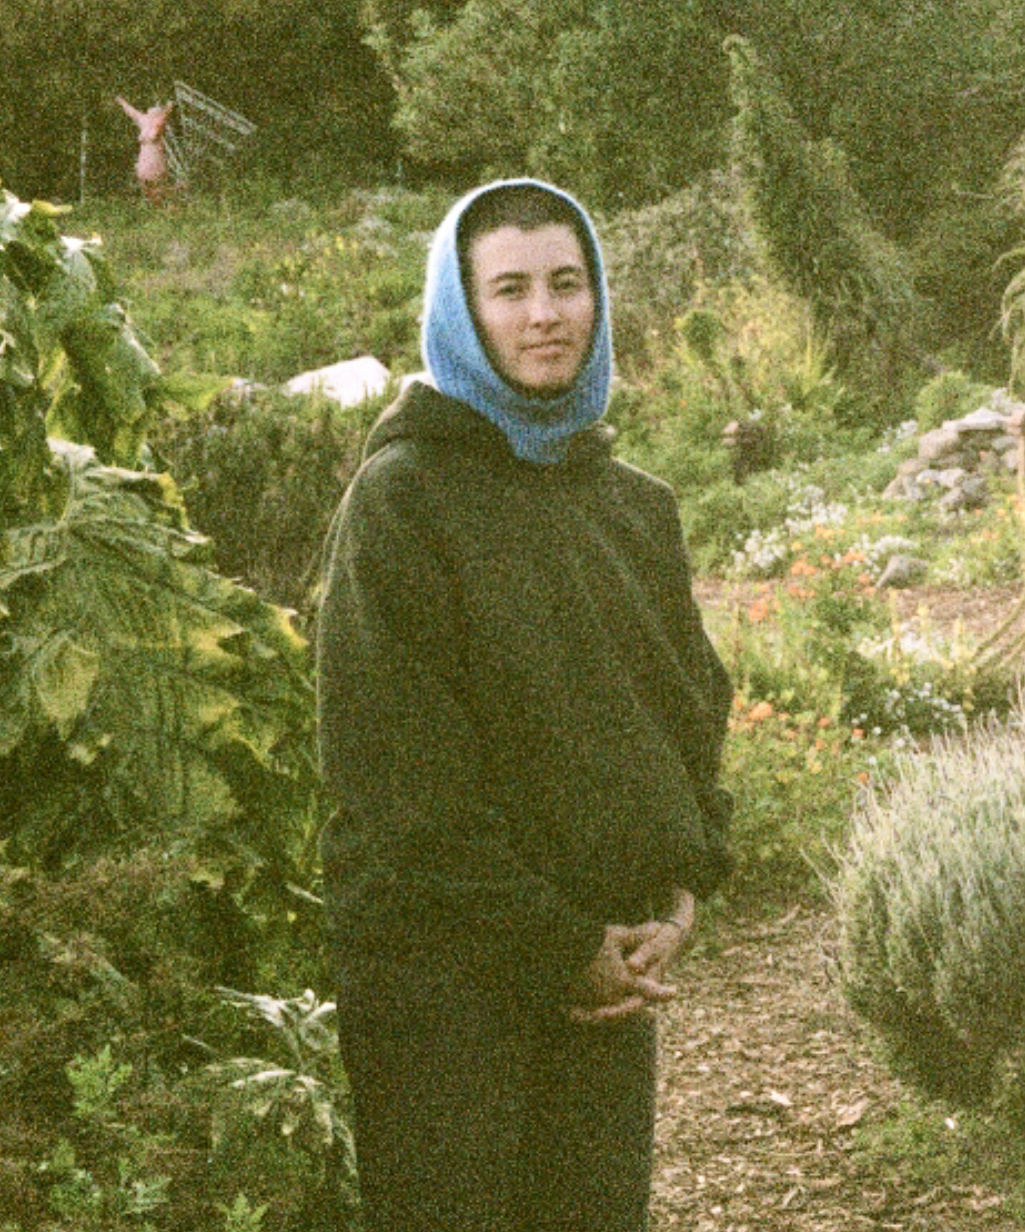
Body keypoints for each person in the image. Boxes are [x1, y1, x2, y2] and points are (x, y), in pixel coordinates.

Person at [316, 178, 734, 1232]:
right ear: (460, 312)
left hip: (604, 966)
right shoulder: (402, 498)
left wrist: (682, 884)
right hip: (443, 984)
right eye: (508, 290)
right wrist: (558, 946)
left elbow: (691, 709)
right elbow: (397, 782)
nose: (544, 314)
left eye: (566, 283)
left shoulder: (633, 505)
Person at [116, 96, 174, 205]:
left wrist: (169, 107)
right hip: (144, 158)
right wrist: (122, 101)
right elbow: (132, 112)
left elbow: (163, 117)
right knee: (145, 185)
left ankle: (163, 203)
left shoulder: (159, 123)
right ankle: (153, 204)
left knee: (157, 186)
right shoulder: (145, 121)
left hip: (155, 158)